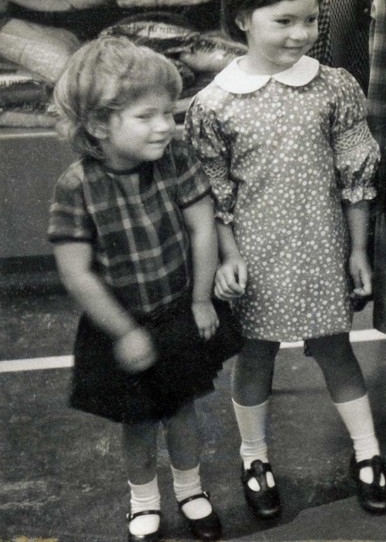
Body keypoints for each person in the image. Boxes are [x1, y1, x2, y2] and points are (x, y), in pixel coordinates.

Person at [184, 0, 386, 520]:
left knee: (337, 351)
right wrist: (226, 258)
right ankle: (254, 457)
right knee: (256, 358)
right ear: (242, 18)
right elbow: (214, 192)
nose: (300, 33)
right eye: (284, 21)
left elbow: (355, 173)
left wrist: (357, 250)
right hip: (255, 256)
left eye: (310, 20)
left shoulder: (334, 87)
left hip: (322, 249)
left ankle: (367, 451)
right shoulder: (215, 104)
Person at [48, 36, 241, 542]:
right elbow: (77, 272)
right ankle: (143, 501)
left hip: (178, 311)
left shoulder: (175, 158)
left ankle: (191, 489)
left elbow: (202, 227)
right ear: (98, 125)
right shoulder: (76, 186)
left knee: (182, 409)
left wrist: (201, 298)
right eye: (147, 116)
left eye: (169, 113)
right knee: (138, 421)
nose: (166, 126)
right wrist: (123, 332)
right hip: (122, 326)